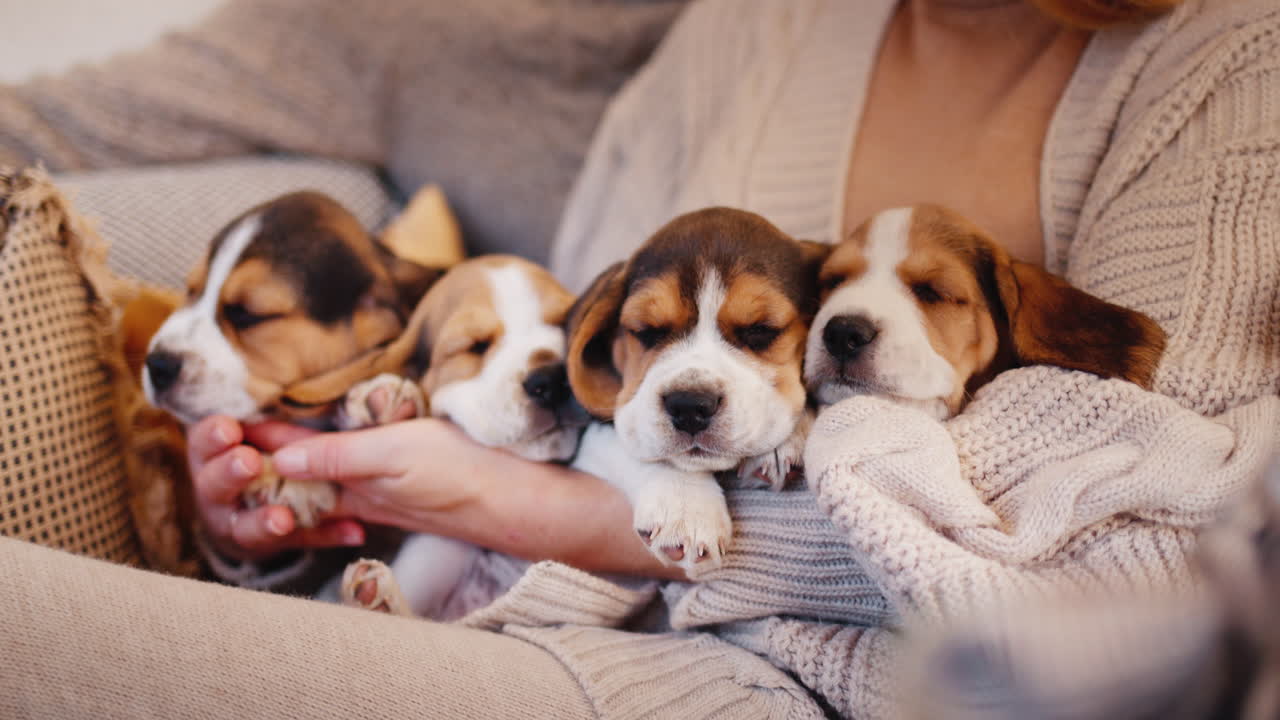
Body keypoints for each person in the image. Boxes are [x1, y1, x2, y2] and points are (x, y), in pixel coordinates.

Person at [2, 0, 1278, 717]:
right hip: (558, 611)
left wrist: (562, 515)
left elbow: (1165, 557)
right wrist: (290, 517)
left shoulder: (1227, 59)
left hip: (823, 684)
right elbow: (571, 376)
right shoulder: (756, 27)